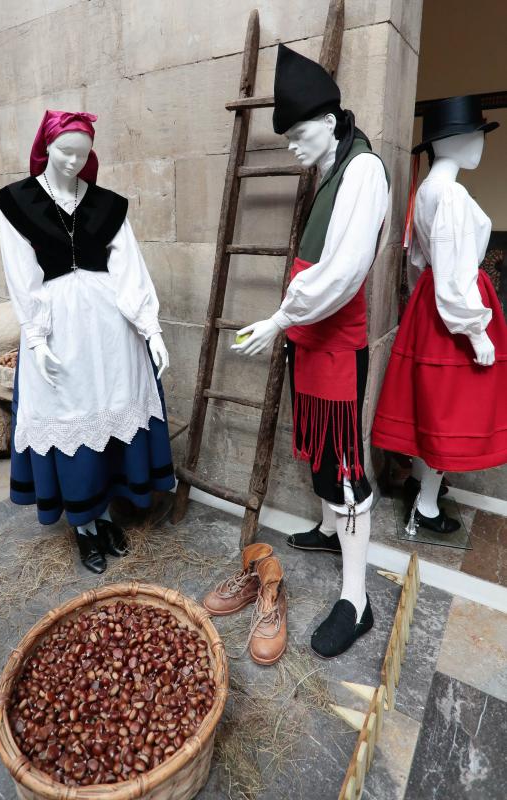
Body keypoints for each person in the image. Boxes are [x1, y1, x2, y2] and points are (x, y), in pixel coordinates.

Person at [232, 45, 390, 658]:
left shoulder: (363, 170)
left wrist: (280, 318)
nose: (293, 148)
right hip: (312, 341)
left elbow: (344, 272)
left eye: (298, 135)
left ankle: (357, 600)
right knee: (323, 451)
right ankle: (330, 531)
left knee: (345, 466)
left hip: (334, 345)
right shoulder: (332, 167)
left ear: (328, 121)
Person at [0, 110, 175, 574]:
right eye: (64, 151)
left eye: (83, 152)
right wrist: (35, 338)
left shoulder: (107, 204)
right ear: (45, 148)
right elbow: (21, 276)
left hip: (113, 333)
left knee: (110, 416)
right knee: (71, 421)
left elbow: (129, 267)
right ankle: (84, 527)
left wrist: (150, 328)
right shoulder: (18, 202)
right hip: (58, 333)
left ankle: (106, 516)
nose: (74, 161)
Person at [373, 95, 507, 530]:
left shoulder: (428, 190)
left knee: (432, 402)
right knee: (449, 409)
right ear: (451, 140)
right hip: (454, 305)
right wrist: (475, 330)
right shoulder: (448, 193)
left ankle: (418, 483)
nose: (479, 145)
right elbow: (452, 273)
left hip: (433, 305)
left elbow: (421, 265)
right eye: (473, 135)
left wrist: (423, 306)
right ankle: (426, 506)